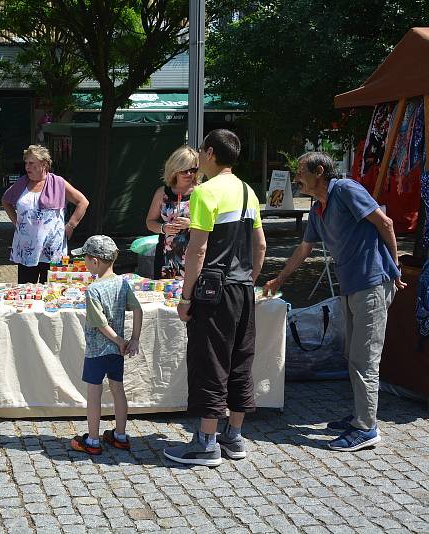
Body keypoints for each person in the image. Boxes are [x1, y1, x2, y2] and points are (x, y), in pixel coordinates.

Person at [263, 152, 403, 452]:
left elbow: (386, 223)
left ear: (320, 171)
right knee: (351, 354)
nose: (297, 177)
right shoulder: (317, 209)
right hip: (351, 287)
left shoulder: (346, 190)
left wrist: (395, 266)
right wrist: (280, 279)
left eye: (301, 171)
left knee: (364, 358)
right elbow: (303, 249)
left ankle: (367, 428)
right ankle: (360, 416)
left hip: (373, 283)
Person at [163, 129, 266, 467]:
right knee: (240, 359)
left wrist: (186, 296)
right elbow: (260, 246)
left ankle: (206, 442)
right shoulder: (248, 191)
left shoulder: (204, 192)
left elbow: (198, 249)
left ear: (209, 152)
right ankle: (234, 437)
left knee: (210, 361)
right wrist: (249, 280)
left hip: (213, 290)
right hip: (243, 289)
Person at [69, 235, 143, 455]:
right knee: (118, 389)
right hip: (116, 352)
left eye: (85, 258)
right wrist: (134, 339)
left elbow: (100, 323)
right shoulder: (122, 283)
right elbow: (138, 309)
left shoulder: (93, 290)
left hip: (97, 351)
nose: (84, 263)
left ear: (95, 262)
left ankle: (92, 440)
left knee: (94, 394)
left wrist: (121, 341)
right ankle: (120, 435)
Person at [1, 145, 89, 284]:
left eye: (31, 163)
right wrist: (16, 221)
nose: (27, 167)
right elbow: (5, 201)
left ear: (44, 164)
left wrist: (71, 225)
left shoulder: (59, 183)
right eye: (26, 163)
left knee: (52, 291)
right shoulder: (21, 183)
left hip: (52, 248)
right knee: (26, 289)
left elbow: (82, 202)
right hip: (26, 248)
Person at [145, 146, 200, 279]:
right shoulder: (162, 193)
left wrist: (191, 223)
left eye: (193, 170)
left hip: (193, 255)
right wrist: (163, 228)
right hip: (165, 256)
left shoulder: (201, 192)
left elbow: (213, 224)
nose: (189, 174)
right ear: (175, 169)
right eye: (184, 170)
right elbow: (150, 222)